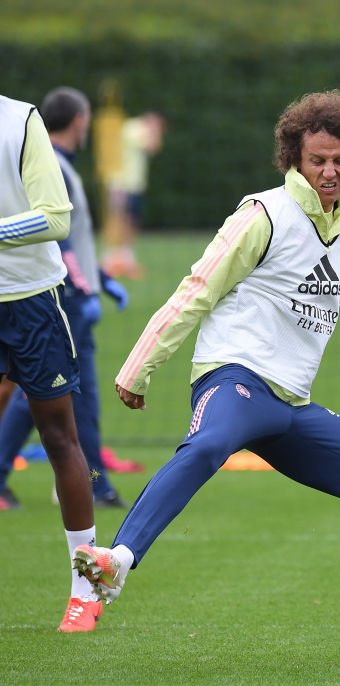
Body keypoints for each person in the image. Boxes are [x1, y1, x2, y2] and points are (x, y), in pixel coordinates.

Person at [74, 89, 340, 667]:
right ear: (295, 157)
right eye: (317, 160)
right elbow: (197, 290)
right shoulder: (263, 214)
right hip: (235, 376)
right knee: (209, 444)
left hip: (291, 406)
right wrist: (139, 366)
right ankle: (118, 560)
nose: (329, 172)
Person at [0, 87, 129, 512]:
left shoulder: (50, 156)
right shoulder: (50, 159)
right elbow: (63, 238)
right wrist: (86, 288)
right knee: (73, 400)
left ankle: (5, 476)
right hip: (56, 298)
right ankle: (96, 482)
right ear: (79, 121)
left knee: (38, 401)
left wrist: (102, 278)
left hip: (55, 293)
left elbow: (68, 239)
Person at [0, 93, 102, 632]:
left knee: (60, 438)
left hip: (31, 302)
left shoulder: (20, 120)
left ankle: (86, 589)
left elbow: (55, 218)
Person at [101, 110, 165, 279]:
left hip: (129, 184)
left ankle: (123, 259)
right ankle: (112, 260)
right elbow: (153, 147)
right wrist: (155, 130)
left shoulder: (131, 127)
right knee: (120, 221)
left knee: (128, 222)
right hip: (123, 184)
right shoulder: (136, 130)